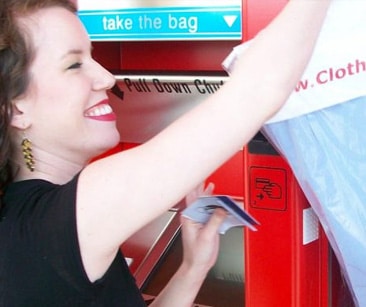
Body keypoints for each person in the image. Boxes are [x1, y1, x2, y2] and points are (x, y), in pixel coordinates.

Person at [0, 0, 331, 306]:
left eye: (93, 56)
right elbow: (257, 90)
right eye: (73, 65)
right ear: (15, 108)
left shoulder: (32, 222)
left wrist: (191, 269)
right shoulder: (57, 223)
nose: (106, 77)